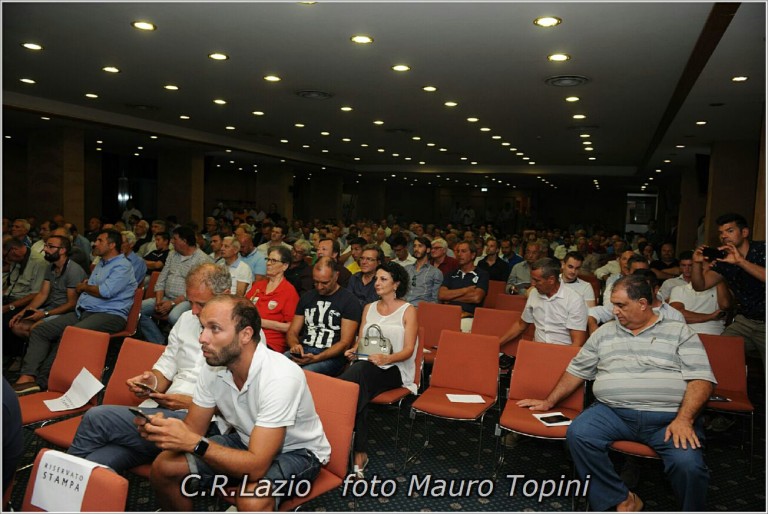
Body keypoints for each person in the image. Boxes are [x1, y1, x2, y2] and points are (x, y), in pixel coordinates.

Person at [517, 275, 715, 511]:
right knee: (579, 435)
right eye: (613, 304)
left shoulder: (680, 332)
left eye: (621, 305)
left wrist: (684, 419)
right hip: (613, 413)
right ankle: (621, 498)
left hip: (668, 418)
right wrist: (549, 402)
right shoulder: (604, 332)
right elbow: (576, 371)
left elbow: (702, 380)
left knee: (689, 465)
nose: (615, 311)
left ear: (642, 303)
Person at [146, 295, 330, 511]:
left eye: (214, 329)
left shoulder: (281, 376)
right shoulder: (212, 366)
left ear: (246, 334)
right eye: (203, 328)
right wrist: (165, 431)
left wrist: (195, 443)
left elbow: (256, 467)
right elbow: (193, 428)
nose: (202, 338)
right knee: (164, 466)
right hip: (247, 440)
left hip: (297, 452)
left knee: (252, 499)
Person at [68, 263, 234, 472]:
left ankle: (57, 489)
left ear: (225, 295)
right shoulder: (186, 320)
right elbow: (166, 366)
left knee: (97, 418)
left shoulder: (244, 336)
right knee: (97, 461)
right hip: (163, 412)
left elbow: (240, 405)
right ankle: (72, 492)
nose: (194, 311)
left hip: (203, 424)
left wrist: (193, 404)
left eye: (201, 303)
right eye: (190, 302)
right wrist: (150, 382)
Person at [13, 230, 137, 393]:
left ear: (112, 245)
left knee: (70, 333)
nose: (95, 243)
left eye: (100, 240)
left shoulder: (122, 266)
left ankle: (43, 382)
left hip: (110, 315)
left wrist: (84, 287)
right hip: (85, 312)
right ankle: (28, 375)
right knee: (40, 330)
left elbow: (105, 292)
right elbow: (94, 288)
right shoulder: (101, 263)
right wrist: (87, 287)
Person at [339, 262, 417, 478]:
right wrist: (354, 351)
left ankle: (341, 439)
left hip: (395, 368)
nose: (377, 283)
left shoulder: (408, 310)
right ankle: (359, 453)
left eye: (383, 279)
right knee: (358, 388)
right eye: (376, 279)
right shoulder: (369, 308)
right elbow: (362, 342)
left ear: (396, 284)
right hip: (368, 365)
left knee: (353, 383)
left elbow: (409, 350)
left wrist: (387, 357)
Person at [692, 212, 765, 367]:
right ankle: (722, 391)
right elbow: (700, 286)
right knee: (718, 355)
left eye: (730, 231)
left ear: (744, 233)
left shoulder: (762, 249)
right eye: (721, 233)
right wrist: (697, 264)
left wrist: (740, 262)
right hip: (744, 321)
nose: (724, 236)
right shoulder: (724, 260)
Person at [6, 235, 87, 362]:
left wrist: (45, 314)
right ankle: (46, 353)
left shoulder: (73, 270)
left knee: (35, 329)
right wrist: (22, 312)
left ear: (62, 250)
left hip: (66, 312)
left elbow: (72, 303)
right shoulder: (51, 267)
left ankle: (46, 358)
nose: (45, 249)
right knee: (17, 326)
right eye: (45, 245)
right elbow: (42, 294)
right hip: (50, 307)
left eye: (50, 246)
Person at [285, 257, 362, 376]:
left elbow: (345, 343)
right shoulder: (307, 297)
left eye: (325, 283)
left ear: (336, 276)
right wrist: (295, 345)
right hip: (305, 349)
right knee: (275, 365)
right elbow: (292, 331)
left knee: (304, 374)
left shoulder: (349, 301)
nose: (319, 287)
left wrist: (317, 358)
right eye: (315, 282)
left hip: (332, 356)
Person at [139, 226, 212, 344]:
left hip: (187, 301)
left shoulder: (202, 259)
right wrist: (158, 301)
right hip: (166, 297)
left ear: (185, 241)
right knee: (138, 309)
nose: (172, 241)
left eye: (175, 239)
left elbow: (197, 289)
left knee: (174, 316)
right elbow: (162, 278)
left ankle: (183, 345)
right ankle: (160, 342)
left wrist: (172, 303)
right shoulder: (172, 254)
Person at [499, 257, 588, 348]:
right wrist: (497, 344)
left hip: (562, 351)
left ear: (551, 280)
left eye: (537, 280)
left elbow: (577, 343)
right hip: (537, 349)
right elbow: (521, 325)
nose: (533, 284)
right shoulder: (534, 293)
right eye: (532, 279)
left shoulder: (574, 300)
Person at [245, 247, 299, 354]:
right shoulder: (258, 286)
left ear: (285, 266)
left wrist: (260, 322)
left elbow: (290, 327)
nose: (268, 263)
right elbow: (243, 307)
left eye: (273, 261)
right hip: (248, 335)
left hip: (271, 342)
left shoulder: (289, 291)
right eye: (268, 259)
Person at [438, 241, 489, 332]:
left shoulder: (482, 274)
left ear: (473, 255)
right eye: (458, 251)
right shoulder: (451, 274)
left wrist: (450, 297)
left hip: (468, 316)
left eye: (463, 251)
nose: (459, 254)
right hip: (448, 314)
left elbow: (476, 297)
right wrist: (465, 290)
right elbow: (442, 295)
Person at [404, 236, 443, 306]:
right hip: (403, 306)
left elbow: (435, 300)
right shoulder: (406, 269)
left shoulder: (436, 272)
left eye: (420, 246)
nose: (416, 249)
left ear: (428, 250)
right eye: (415, 246)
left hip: (421, 309)